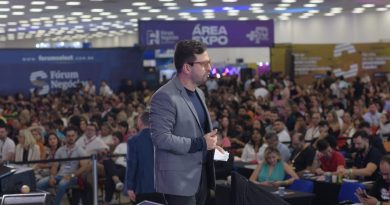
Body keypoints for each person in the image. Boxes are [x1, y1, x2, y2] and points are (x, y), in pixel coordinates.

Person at [150, 40, 219, 205]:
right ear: (187, 67)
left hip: (201, 175)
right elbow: (161, 138)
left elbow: (195, 132)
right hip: (178, 181)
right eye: (204, 64)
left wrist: (210, 145)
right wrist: (200, 143)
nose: (209, 68)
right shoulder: (165, 96)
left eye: (209, 62)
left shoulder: (200, 94)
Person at [37, 127, 89, 205]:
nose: (71, 138)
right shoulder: (60, 150)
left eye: (72, 136)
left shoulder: (80, 150)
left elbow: (84, 167)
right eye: (68, 136)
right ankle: (48, 202)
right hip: (59, 175)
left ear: (76, 136)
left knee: (62, 184)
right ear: (65, 137)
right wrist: (52, 176)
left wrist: (71, 175)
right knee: (39, 184)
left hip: (73, 177)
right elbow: (55, 165)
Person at [126, 111, 155, 203]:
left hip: (142, 186)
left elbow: (132, 164)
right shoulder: (163, 138)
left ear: (140, 122)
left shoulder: (134, 140)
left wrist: (130, 187)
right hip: (164, 188)